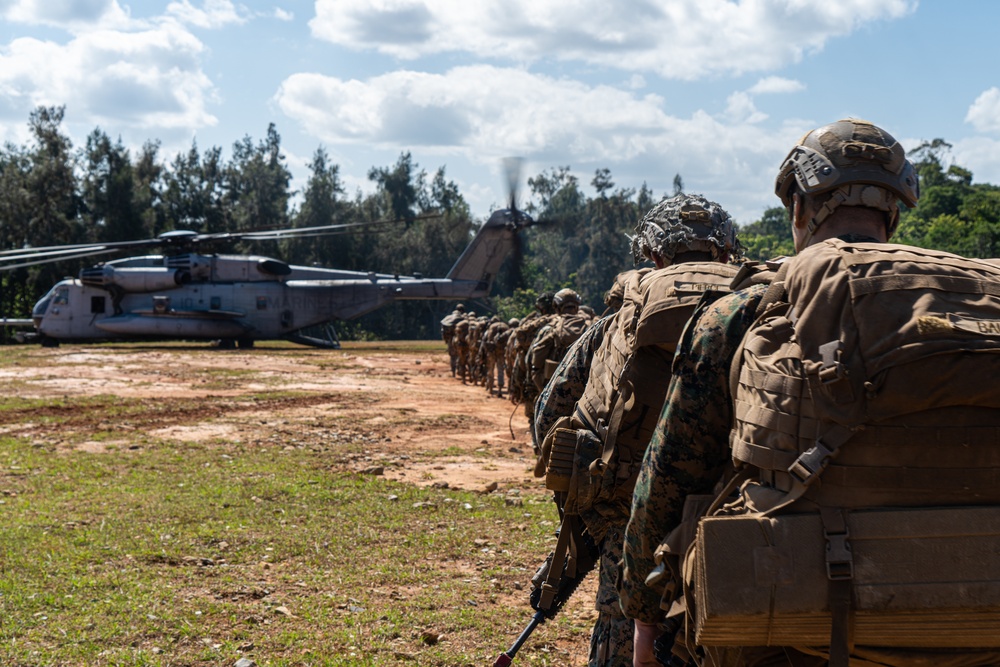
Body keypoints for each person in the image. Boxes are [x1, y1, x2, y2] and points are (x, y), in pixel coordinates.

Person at [620, 119, 1000, 667]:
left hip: (793, 630)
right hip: (971, 628)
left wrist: (643, 612)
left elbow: (669, 479)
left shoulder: (739, 314)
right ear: (892, 213)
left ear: (798, 207)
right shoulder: (964, 308)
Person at [535, 194, 741, 667]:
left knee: (622, 642)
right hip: (736, 528)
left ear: (652, 254)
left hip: (627, 535)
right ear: (727, 253)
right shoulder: (760, 309)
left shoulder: (615, 324)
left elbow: (550, 416)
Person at [440, 303, 467, 377]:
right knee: (460, 356)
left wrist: (446, 340)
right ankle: (460, 370)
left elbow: (443, 330)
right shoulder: (463, 318)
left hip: (450, 340)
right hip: (460, 340)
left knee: (453, 357)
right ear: (462, 310)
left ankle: (453, 372)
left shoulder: (448, 317)